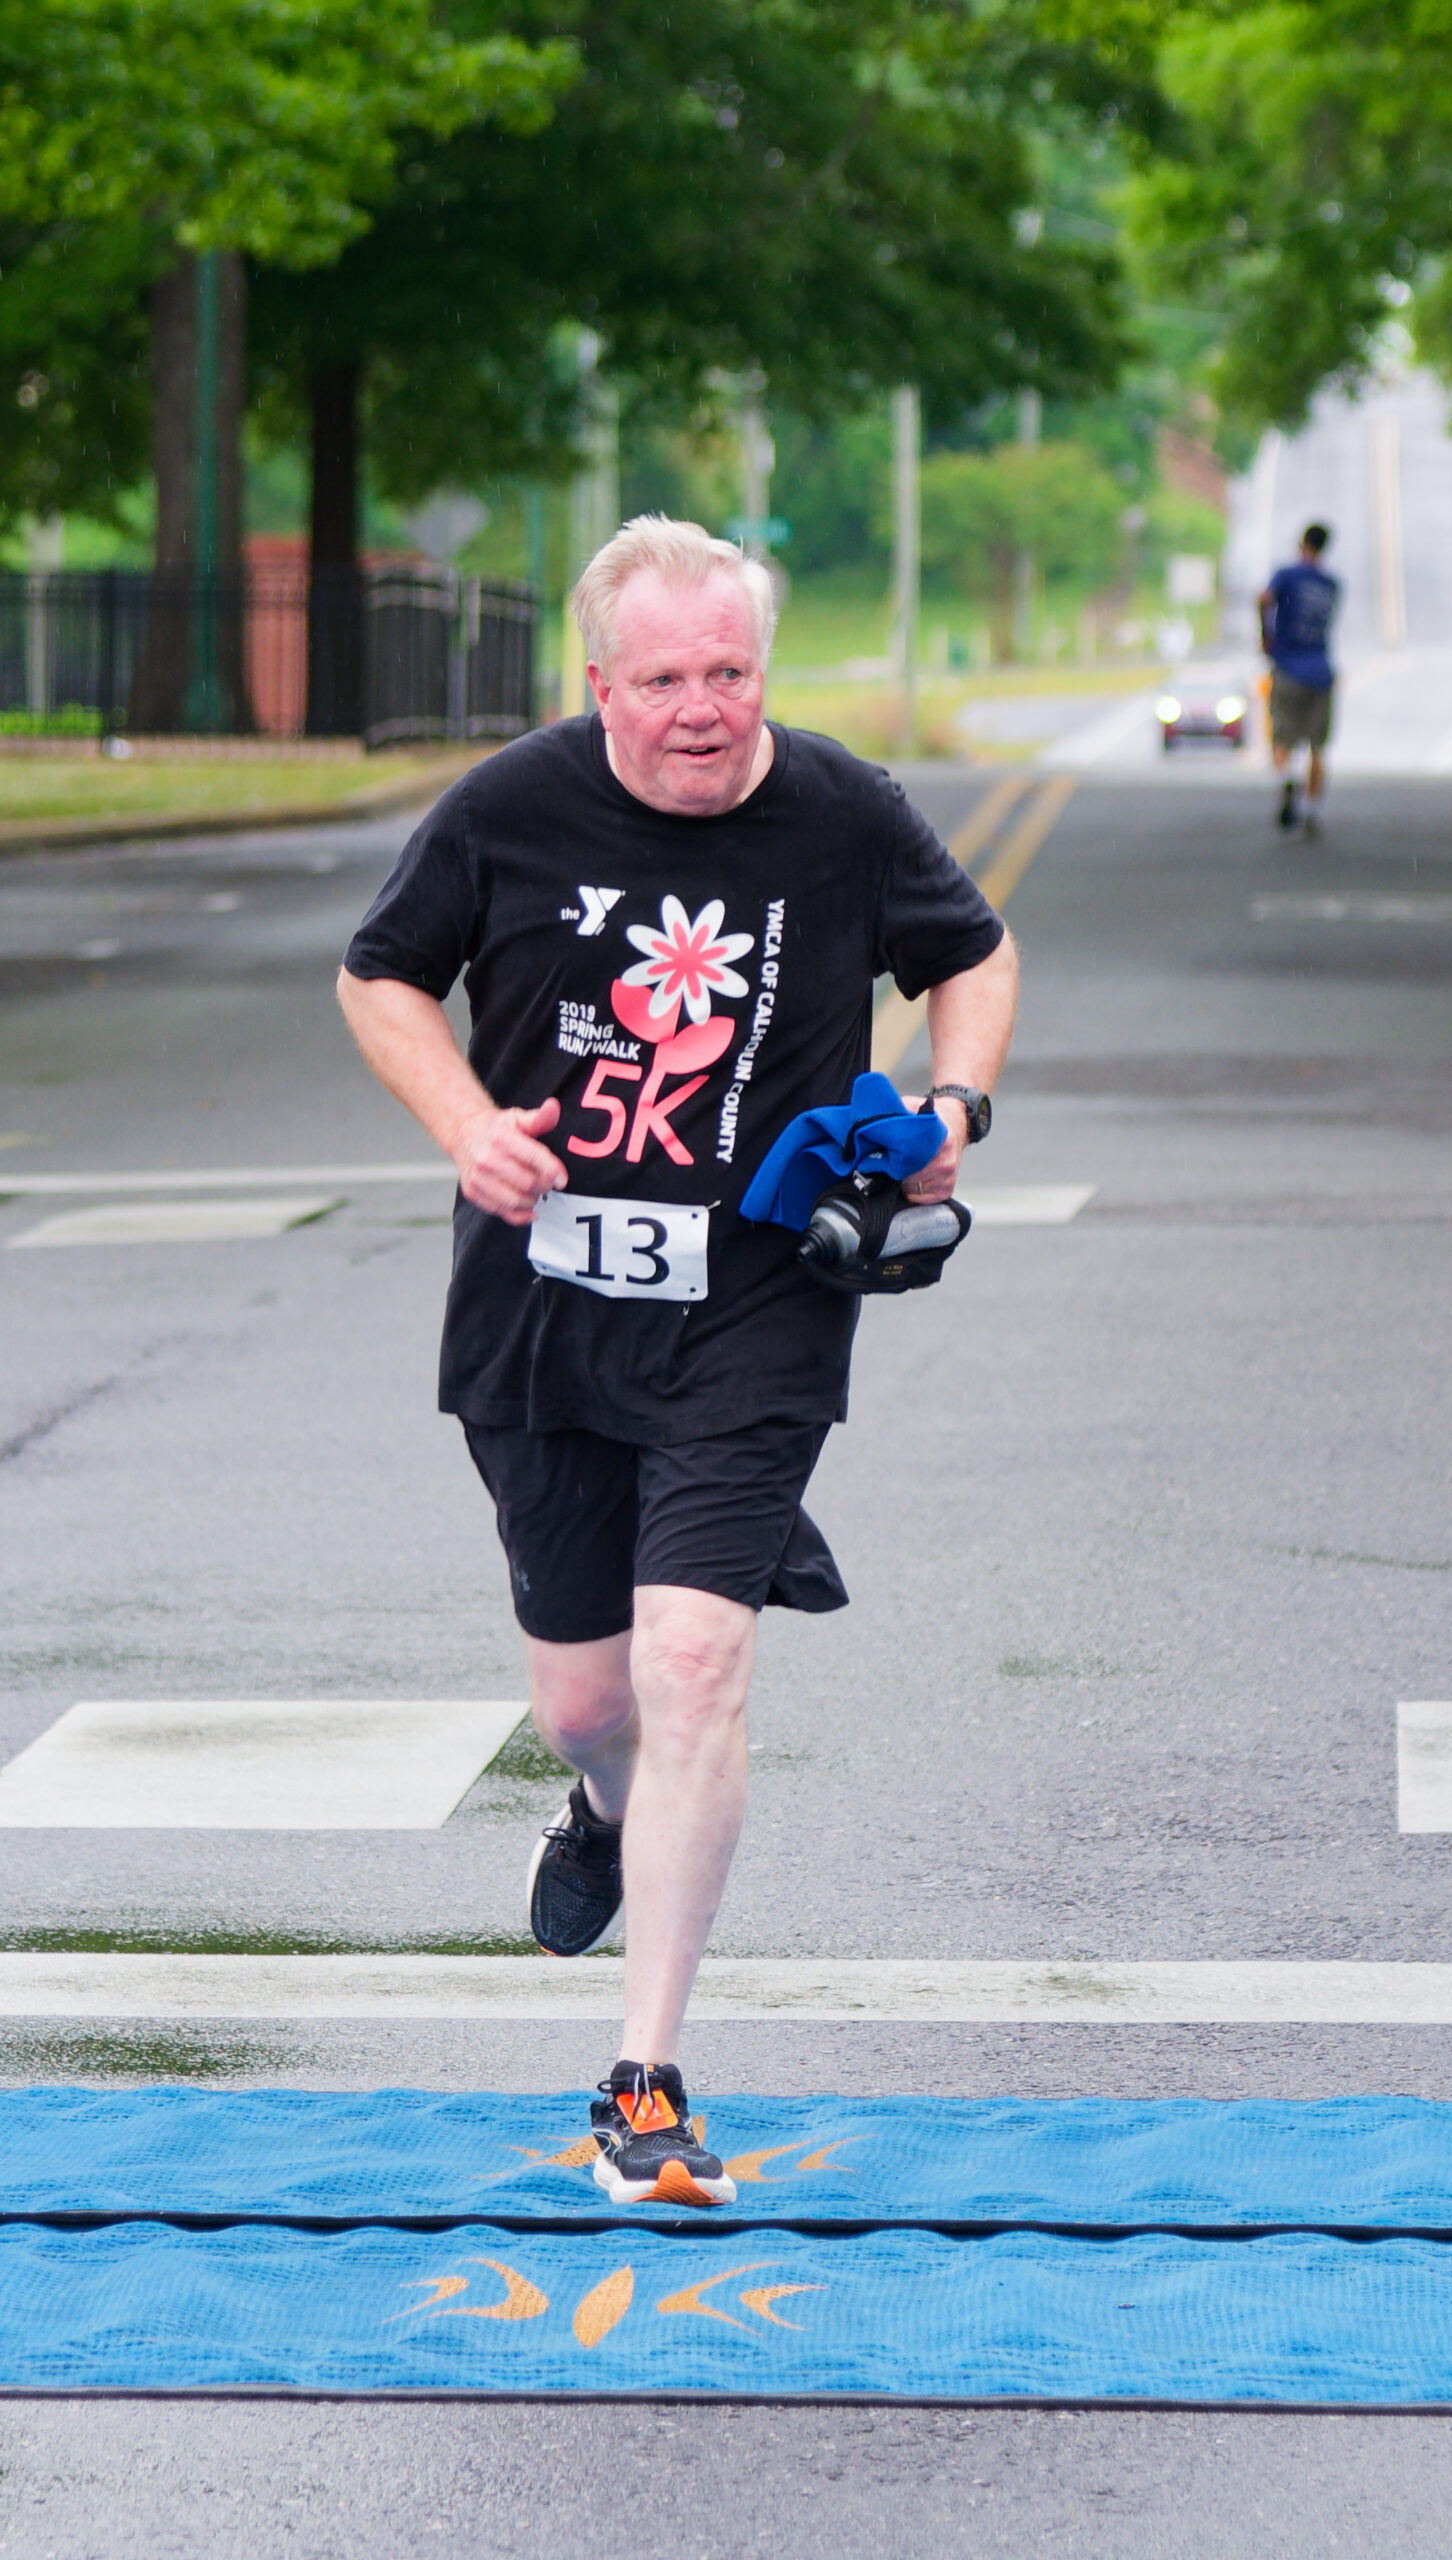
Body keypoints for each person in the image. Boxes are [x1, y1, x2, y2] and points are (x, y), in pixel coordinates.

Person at [336, 516, 1017, 2209]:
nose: (702, 709)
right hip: (544, 1312)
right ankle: (600, 1811)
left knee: (695, 1664)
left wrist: (954, 1103)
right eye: (663, 681)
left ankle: (643, 2080)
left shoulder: (844, 811)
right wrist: (466, 1125)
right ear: (600, 684)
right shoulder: (508, 808)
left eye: (730, 671)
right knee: (589, 1702)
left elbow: (972, 954)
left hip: (756, 1304)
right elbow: (380, 979)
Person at [1258, 523, 1339, 838]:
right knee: (1317, 747)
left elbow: (1264, 599)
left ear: (1302, 544)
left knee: (1282, 738)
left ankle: (1286, 779)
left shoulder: (1287, 575)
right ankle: (1311, 811)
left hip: (1288, 668)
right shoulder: (1331, 585)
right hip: (1320, 671)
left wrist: (1266, 636)